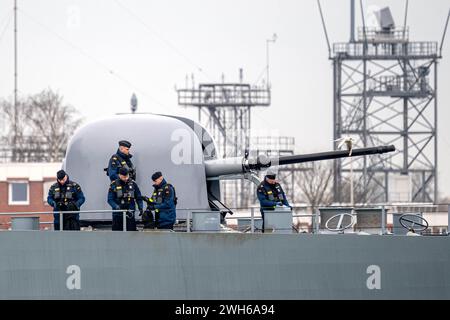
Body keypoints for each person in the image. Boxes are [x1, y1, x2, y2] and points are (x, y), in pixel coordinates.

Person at [107, 167, 143, 231]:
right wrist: (117, 207)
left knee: (131, 233)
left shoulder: (133, 184)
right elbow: (110, 199)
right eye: (124, 177)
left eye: (127, 176)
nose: (126, 178)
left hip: (130, 213)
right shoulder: (114, 184)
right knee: (117, 234)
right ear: (119, 175)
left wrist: (140, 207)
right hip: (118, 214)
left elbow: (138, 197)